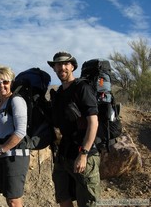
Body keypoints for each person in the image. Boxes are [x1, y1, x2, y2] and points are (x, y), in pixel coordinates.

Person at [48, 52, 100, 207]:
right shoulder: (59, 93)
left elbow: (93, 123)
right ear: (54, 68)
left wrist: (84, 153)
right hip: (64, 154)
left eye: (66, 64)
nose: (62, 67)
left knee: (87, 202)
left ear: (72, 66)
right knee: (63, 197)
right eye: (58, 64)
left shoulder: (82, 88)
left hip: (84, 154)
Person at [0, 66, 29, 207]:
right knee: (9, 198)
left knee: (14, 200)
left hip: (15, 156)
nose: (1, 85)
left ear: (11, 82)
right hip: (1, 155)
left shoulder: (16, 101)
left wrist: (0, 149)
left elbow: (21, 131)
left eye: (5, 82)